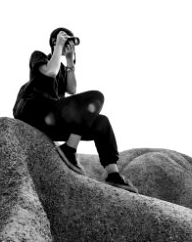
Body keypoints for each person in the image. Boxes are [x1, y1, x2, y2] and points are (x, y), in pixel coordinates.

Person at [13, 27, 138, 193]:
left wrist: (70, 60)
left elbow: (72, 89)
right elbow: (50, 72)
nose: (67, 44)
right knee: (96, 97)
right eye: (65, 39)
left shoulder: (63, 69)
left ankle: (112, 173)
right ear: (54, 41)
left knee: (102, 121)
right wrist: (58, 45)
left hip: (53, 120)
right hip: (35, 110)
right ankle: (69, 149)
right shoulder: (39, 56)